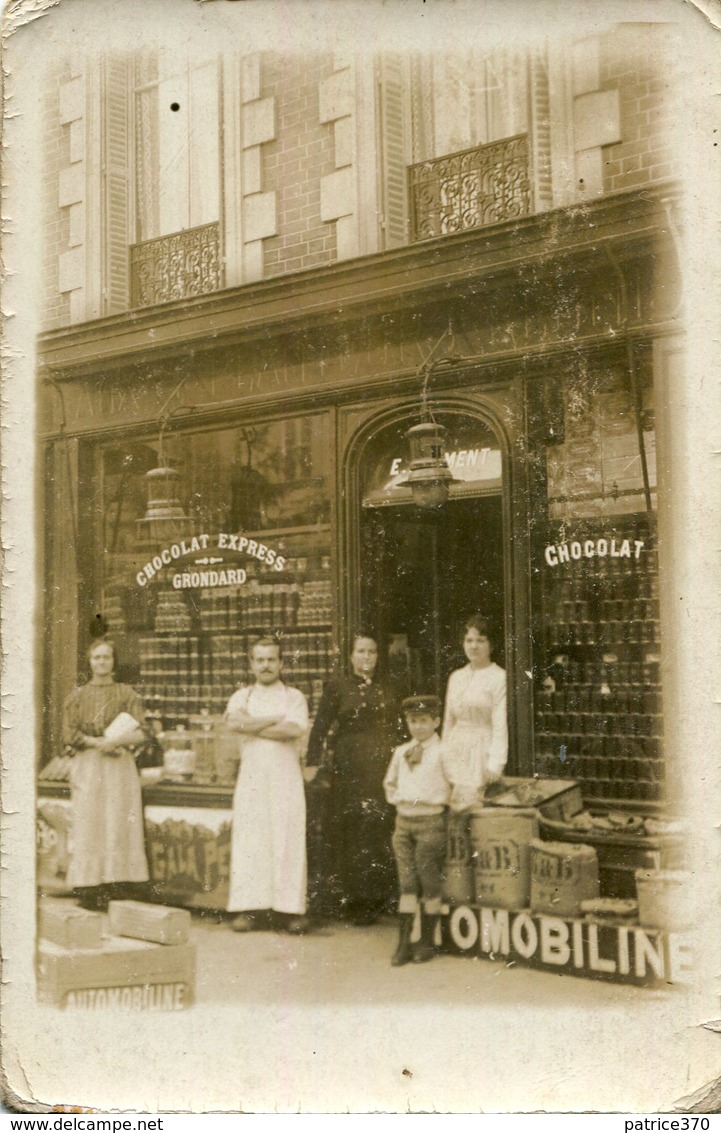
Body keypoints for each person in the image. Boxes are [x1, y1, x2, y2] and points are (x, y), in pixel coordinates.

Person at [306, 633, 403, 924]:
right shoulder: (338, 686)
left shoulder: (389, 687)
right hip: (349, 768)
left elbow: (401, 728)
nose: (367, 657)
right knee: (350, 828)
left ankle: (379, 898)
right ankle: (353, 900)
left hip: (381, 766)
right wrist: (312, 761)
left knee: (377, 828)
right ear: (351, 656)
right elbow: (321, 725)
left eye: (372, 651)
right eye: (361, 651)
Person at [224, 636, 311, 934]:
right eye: (260, 660)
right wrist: (273, 719)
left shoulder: (294, 697)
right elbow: (235, 723)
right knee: (252, 841)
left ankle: (289, 910)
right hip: (252, 780)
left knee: (287, 839)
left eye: (271, 659)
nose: (266, 665)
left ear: (281, 663)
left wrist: (256, 724)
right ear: (251, 664)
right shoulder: (242, 697)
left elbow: (293, 729)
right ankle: (250, 910)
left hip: (285, 780)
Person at [62, 639, 150, 911]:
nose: (102, 662)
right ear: (89, 662)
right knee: (90, 821)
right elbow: (69, 733)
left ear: (114, 661)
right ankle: (89, 886)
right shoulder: (76, 696)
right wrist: (98, 743)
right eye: (97, 657)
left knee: (118, 819)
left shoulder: (127, 694)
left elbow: (143, 732)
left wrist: (117, 741)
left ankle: (117, 883)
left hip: (118, 764)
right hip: (89, 763)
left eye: (107, 657)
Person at [383, 695, 452, 967]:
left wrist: (437, 801)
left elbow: (455, 782)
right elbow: (389, 784)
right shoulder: (401, 752)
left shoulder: (444, 752)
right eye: (413, 721)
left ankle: (426, 940)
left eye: (424, 721)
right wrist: (402, 798)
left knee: (429, 881)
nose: (418, 727)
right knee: (407, 883)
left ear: (436, 721)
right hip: (404, 823)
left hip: (430, 823)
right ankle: (403, 943)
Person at [442, 615, 508, 810]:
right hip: (456, 748)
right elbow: (448, 721)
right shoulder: (456, 677)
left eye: (481, 640)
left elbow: (499, 723)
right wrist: (443, 756)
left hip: (481, 750)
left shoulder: (498, 677)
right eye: (469, 640)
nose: (474, 646)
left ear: (491, 644)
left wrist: (495, 763)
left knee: (473, 808)